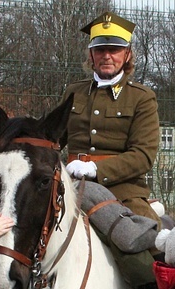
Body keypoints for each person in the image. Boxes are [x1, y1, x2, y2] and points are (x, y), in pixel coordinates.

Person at [61, 11, 161, 225]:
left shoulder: (141, 97)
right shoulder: (73, 92)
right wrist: (5, 151)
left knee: (143, 244)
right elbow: (49, 137)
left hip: (122, 192)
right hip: (71, 185)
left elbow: (143, 155)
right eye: (99, 50)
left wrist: (97, 169)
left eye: (114, 50)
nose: (106, 56)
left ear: (127, 54)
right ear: (91, 55)